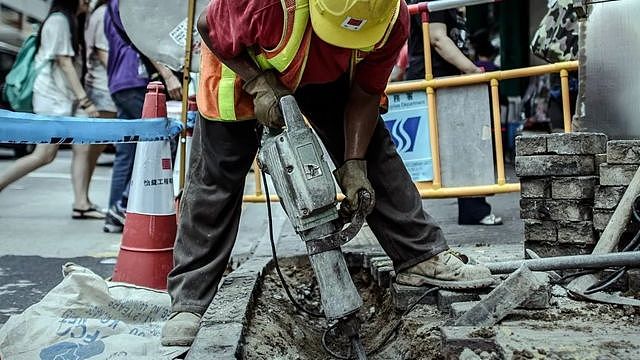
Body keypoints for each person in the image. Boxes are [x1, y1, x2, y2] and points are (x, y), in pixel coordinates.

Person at [161, 0, 495, 346]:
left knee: (376, 152)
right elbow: (207, 27)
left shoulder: (391, 18)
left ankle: (420, 258)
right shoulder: (264, 4)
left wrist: (354, 163)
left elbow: (366, 93)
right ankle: (189, 301)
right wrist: (259, 83)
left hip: (323, 72)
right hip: (245, 62)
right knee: (216, 177)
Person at [0, 0, 105, 220]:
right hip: (52, 98)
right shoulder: (58, 21)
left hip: (65, 97)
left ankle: (81, 203)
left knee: (82, 146)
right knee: (44, 155)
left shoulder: (71, 21)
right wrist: (84, 99)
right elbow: (64, 63)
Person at [405, 4, 502, 226]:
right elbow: (437, 38)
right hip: (435, 82)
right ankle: (472, 210)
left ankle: (474, 210)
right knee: (438, 150)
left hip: (444, 81)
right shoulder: (436, 3)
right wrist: (473, 70)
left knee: (462, 147)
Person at [102, 0, 182, 233]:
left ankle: (115, 212)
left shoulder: (109, 7)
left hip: (119, 82)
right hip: (135, 79)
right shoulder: (127, 5)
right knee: (160, 139)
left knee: (126, 151)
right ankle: (125, 205)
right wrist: (167, 74)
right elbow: (142, 40)